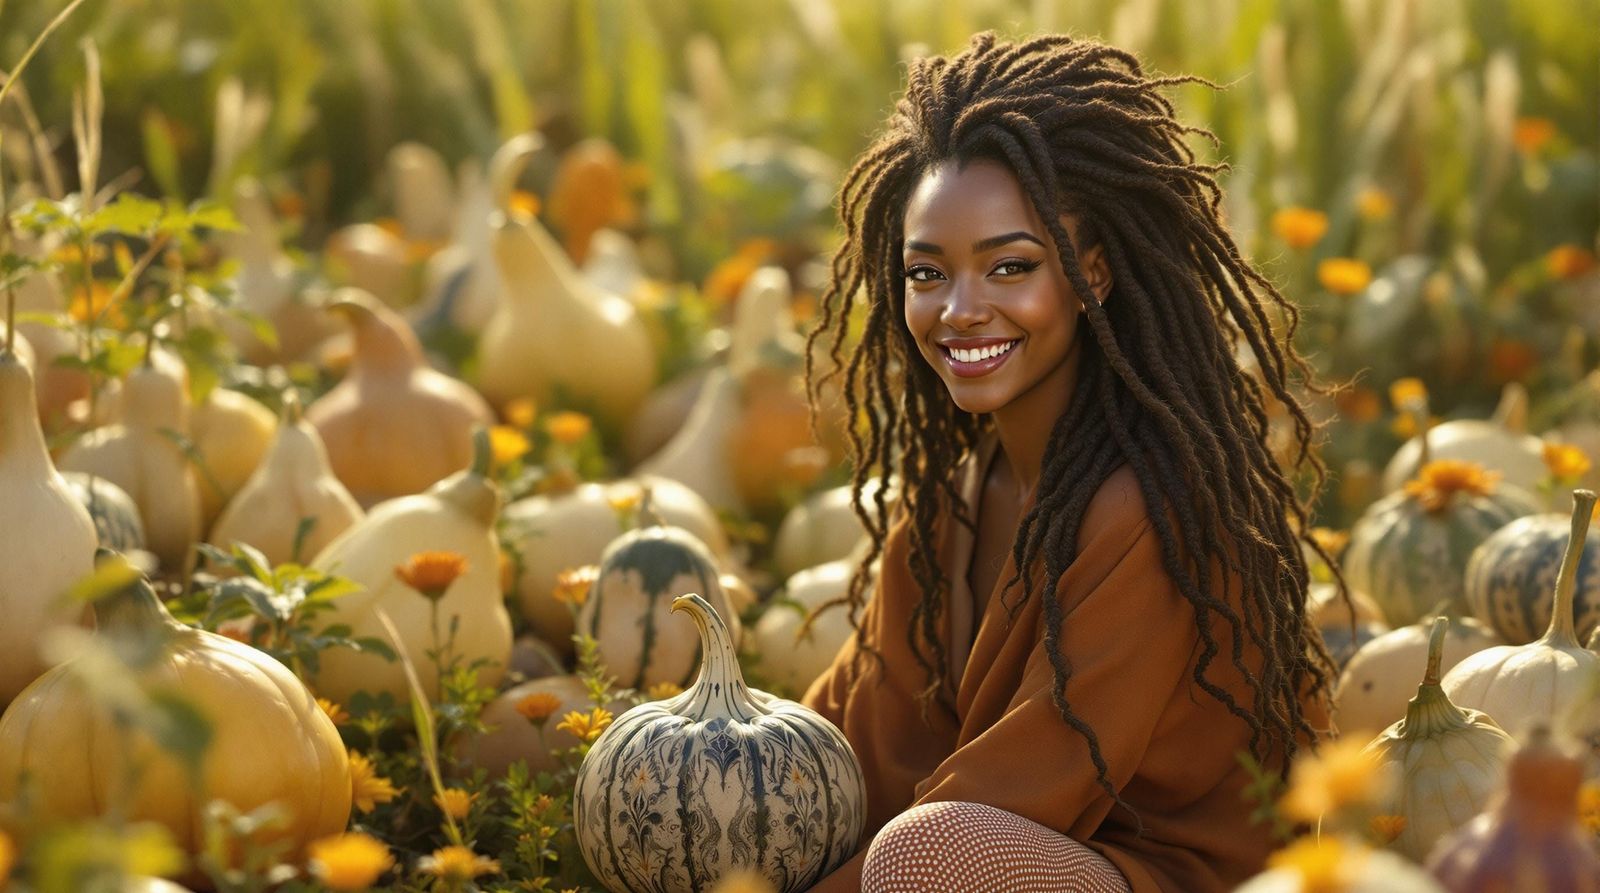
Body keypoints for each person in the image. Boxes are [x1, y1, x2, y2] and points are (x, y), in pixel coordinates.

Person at [799, 32, 1338, 893]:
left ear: (1094, 274)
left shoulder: (1150, 508)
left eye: (1009, 267)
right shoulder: (952, 500)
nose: (960, 309)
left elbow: (1024, 790)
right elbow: (856, 728)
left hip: (1157, 877)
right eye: (927, 273)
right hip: (998, 847)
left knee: (923, 856)